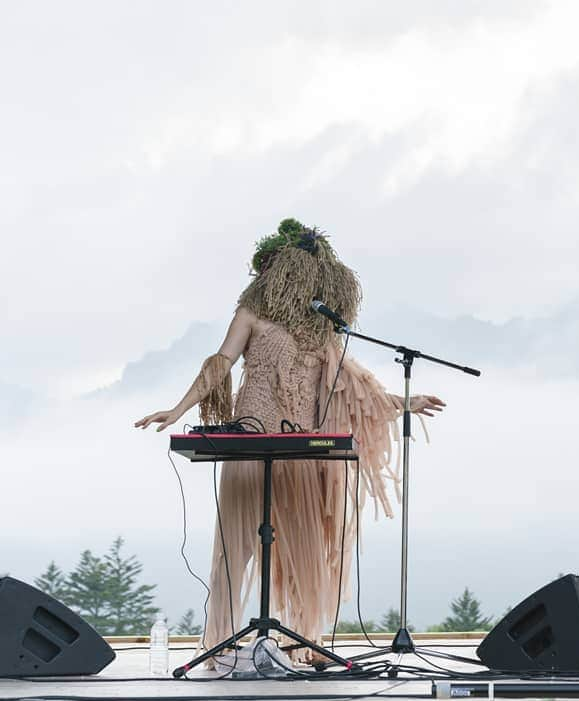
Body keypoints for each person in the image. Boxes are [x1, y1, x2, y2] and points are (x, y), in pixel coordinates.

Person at [135, 219, 444, 665]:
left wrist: (404, 402)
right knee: (237, 545)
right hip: (251, 437)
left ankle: (304, 637)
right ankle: (219, 639)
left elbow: (351, 388)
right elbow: (221, 363)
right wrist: (179, 409)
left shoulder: (323, 330)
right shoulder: (251, 315)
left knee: (305, 547)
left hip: (300, 446)